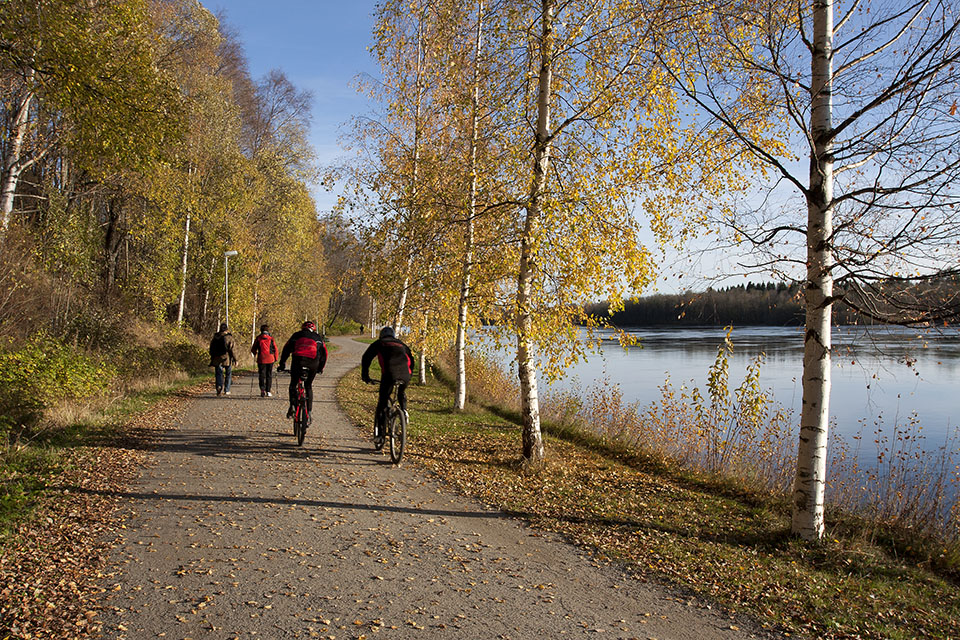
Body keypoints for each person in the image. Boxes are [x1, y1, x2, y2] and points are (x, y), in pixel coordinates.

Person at [361, 326, 414, 442]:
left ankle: (380, 436)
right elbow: (411, 359)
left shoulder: (380, 343)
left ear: (381, 336)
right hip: (405, 375)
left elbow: (366, 358)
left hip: (389, 374)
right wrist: (409, 375)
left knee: (382, 403)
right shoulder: (401, 344)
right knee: (401, 392)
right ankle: (404, 410)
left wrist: (365, 376)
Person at [277, 320, 327, 424]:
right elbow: (324, 354)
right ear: (313, 329)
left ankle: (292, 406)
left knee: (293, 384)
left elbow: (286, 349)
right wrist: (320, 368)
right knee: (308, 386)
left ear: (302, 328)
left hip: (298, 362)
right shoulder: (318, 337)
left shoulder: (296, 335)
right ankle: (308, 413)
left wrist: (282, 364)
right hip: (313, 363)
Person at [209, 322, 237, 396]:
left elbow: (211, 348)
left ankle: (219, 387)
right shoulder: (229, 337)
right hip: (226, 358)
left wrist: (212, 357)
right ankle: (227, 389)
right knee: (228, 374)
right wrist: (235, 359)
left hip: (217, 358)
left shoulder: (215, 337)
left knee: (218, 373)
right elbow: (232, 349)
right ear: (226, 329)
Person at [251, 324, 279, 397]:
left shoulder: (258, 338)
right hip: (270, 358)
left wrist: (255, 353)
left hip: (261, 359)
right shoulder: (271, 338)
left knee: (261, 375)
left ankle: (262, 389)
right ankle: (268, 390)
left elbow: (253, 348)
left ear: (261, 330)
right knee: (269, 375)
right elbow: (275, 349)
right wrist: (276, 358)